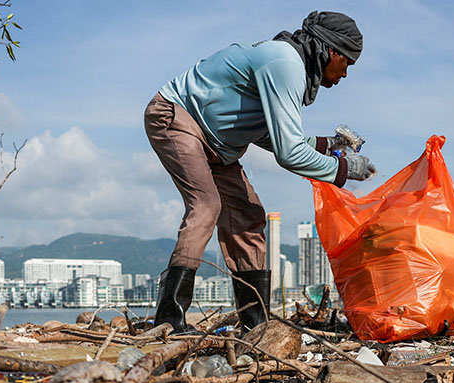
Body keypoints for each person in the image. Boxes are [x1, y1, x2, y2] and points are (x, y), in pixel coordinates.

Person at [144, 10, 376, 332]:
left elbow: (272, 136)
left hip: (216, 145)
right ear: (332, 50)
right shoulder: (286, 64)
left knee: (249, 217)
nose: (345, 74)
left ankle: (255, 324)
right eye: (347, 63)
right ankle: (169, 319)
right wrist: (344, 167)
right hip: (177, 118)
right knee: (206, 205)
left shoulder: (290, 66)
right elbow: (289, 152)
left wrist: (329, 144)